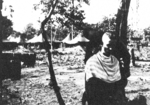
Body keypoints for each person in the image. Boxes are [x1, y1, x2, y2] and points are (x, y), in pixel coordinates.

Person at [83, 32, 130, 105]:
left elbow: (126, 56)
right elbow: (90, 87)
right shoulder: (92, 62)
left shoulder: (115, 60)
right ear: (101, 44)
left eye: (113, 45)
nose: (111, 48)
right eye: (108, 45)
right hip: (98, 97)